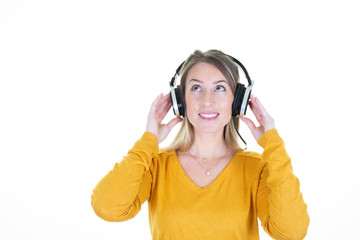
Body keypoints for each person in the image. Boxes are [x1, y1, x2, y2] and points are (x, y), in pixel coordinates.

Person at [91, 50, 310, 240]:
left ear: (237, 101)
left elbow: (292, 232)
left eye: (220, 88)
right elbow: (107, 207)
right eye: (196, 88)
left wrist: (272, 142)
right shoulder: (155, 166)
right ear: (180, 101)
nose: (207, 100)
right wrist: (149, 140)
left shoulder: (257, 169)